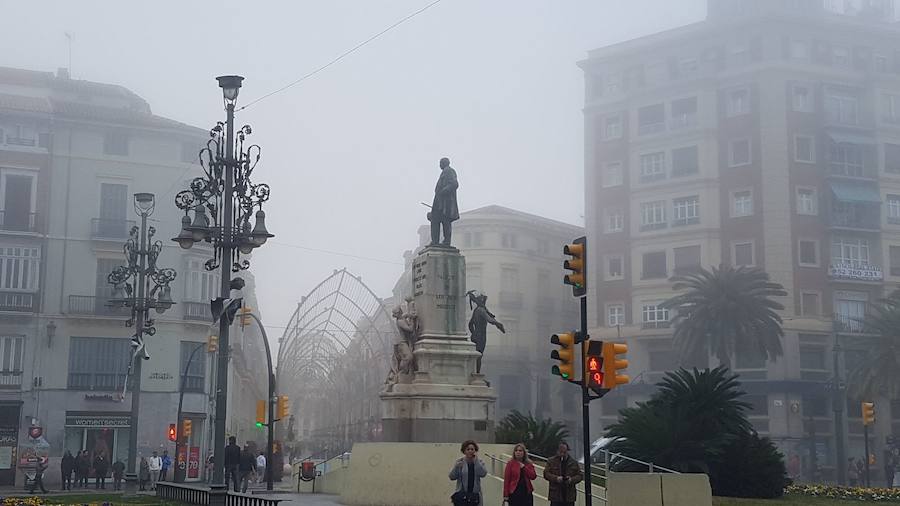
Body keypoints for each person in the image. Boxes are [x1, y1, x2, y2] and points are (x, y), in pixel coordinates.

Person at [428, 157, 460, 247]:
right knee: (435, 219)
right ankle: (435, 241)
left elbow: (454, 184)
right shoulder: (444, 172)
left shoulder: (449, 171)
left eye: (440, 163)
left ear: (444, 163)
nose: (439, 165)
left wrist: (443, 191)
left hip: (446, 202)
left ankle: (445, 241)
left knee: (445, 221)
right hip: (440, 201)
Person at [543, 442, 583, 506]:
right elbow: (546, 474)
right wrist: (556, 478)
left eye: (564, 452)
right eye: (560, 451)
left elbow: (580, 475)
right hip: (556, 495)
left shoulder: (573, 462)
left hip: (569, 496)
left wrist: (571, 480)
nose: (562, 454)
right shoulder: (551, 461)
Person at [449, 440, 487, 506]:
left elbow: (483, 474)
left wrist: (476, 461)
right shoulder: (460, 461)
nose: (470, 451)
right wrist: (456, 467)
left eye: (472, 449)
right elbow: (452, 477)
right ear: (464, 451)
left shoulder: (479, 461)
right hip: (462, 495)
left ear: (475, 451)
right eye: (468, 449)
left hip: (474, 495)